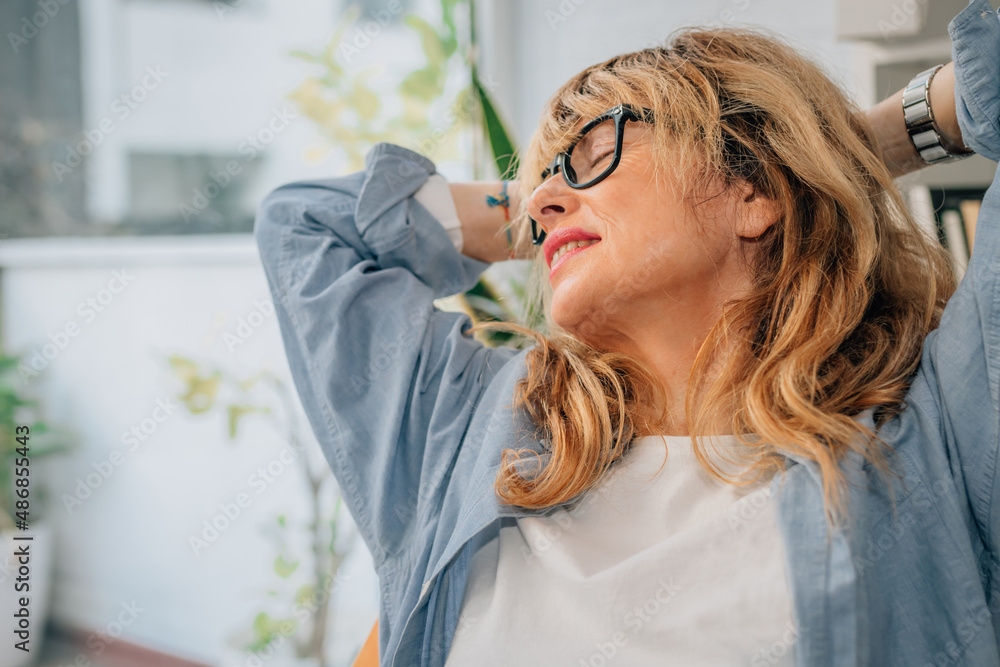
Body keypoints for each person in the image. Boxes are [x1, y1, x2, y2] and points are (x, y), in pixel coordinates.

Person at [254, 0, 1000, 664]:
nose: (541, 200)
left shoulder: (936, 437)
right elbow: (306, 229)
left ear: (753, 194)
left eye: (594, 152)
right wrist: (552, 202)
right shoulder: (464, 432)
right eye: (543, 180)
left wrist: (851, 148)